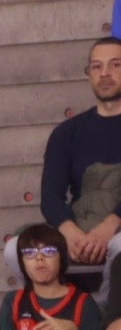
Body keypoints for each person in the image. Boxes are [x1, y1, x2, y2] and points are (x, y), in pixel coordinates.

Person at [36, 38, 121, 315]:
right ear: (89, 75)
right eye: (96, 66)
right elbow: (50, 197)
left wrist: (111, 224)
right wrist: (69, 230)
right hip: (82, 226)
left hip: (117, 230)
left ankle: (99, 315)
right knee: (15, 250)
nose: (104, 73)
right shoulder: (67, 133)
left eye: (115, 64)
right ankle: (48, 318)